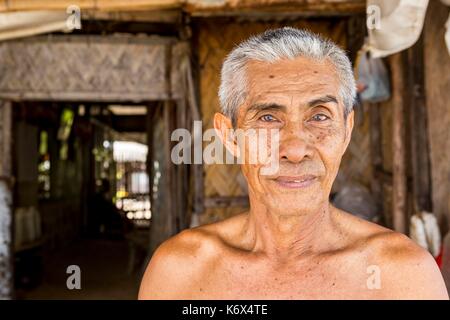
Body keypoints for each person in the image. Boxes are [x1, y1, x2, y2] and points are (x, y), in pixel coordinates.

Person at [139, 27, 448, 299]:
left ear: (346, 131)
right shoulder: (181, 272)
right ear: (230, 137)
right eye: (268, 118)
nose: (296, 150)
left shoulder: (404, 276)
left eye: (319, 117)